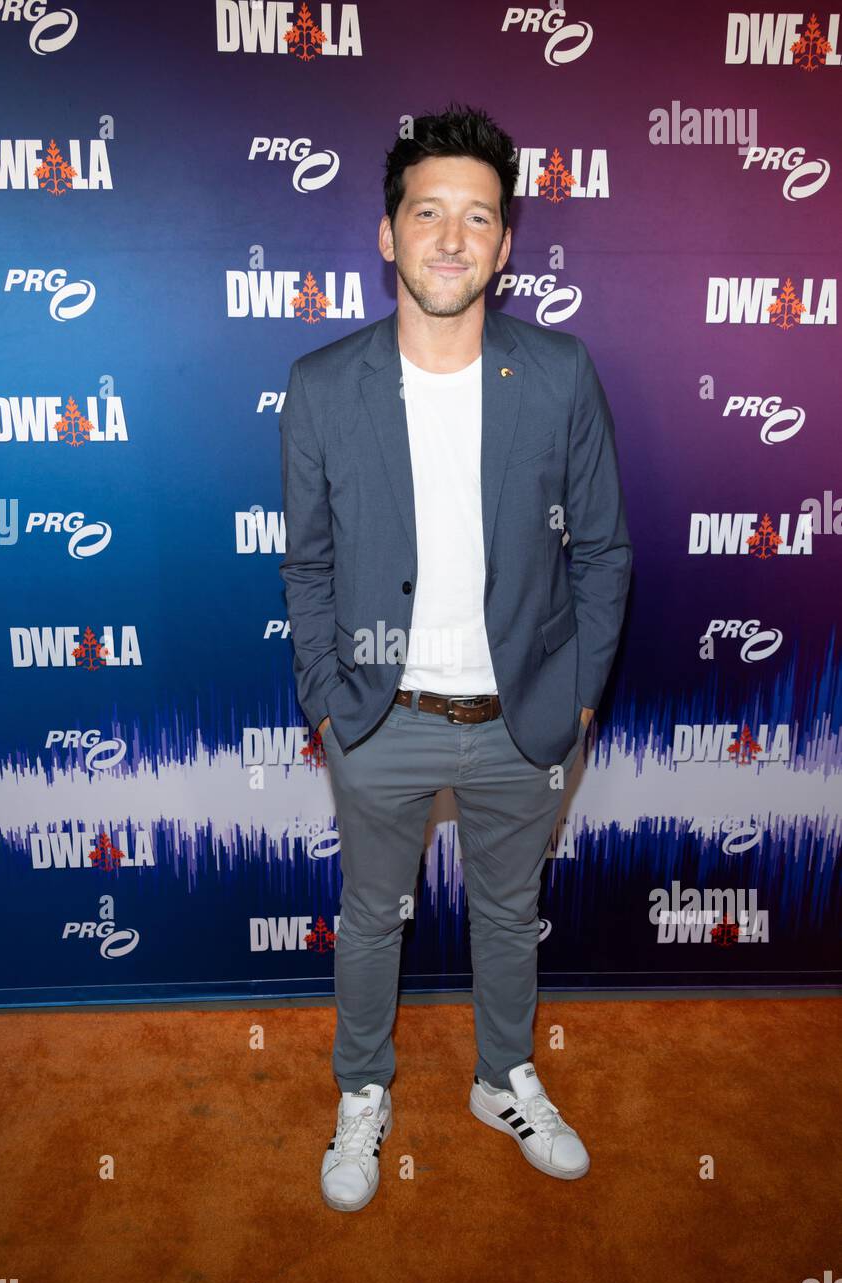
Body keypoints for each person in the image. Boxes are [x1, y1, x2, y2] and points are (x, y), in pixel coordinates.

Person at [279, 103, 632, 1212]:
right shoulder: (323, 385)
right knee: (371, 918)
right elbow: (308, 566)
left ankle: (502, 1077)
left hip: (521, 716)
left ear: (505, 244)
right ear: (387, 235)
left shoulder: (562, 373)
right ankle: (364, 1089)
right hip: (376, 720)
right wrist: (329, 706)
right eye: (426, 211)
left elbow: (606, 551)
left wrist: (574, 705)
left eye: (476, 217)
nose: (449, 236)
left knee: (505, 914)